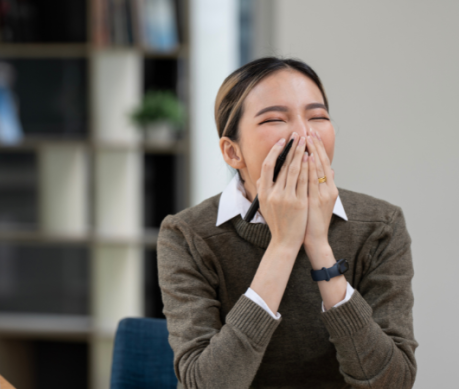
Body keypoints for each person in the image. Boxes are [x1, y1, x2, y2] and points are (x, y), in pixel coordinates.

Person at [156, 57, 418, 389]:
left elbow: (390, 382)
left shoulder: (381, 225)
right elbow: (204, 383)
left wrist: (320, 246)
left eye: (318, 116)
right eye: (276, 119)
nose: (305, 132)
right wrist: (282, 244)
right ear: (232, 152)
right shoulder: (186, 235)